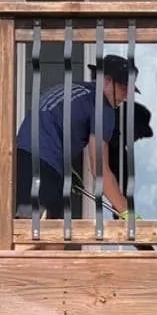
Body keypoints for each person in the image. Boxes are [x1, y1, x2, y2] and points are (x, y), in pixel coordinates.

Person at [14, 53, 135, 229]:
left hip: (24, 159)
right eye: (124, 89)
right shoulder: (102, 107)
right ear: (107, 81)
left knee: (52, 234)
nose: (125, 97)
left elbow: (51, 125)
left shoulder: (73, 90)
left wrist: (64, 169)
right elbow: (100, 170)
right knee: (35, 235)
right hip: (43, 165)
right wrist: (125, 211)